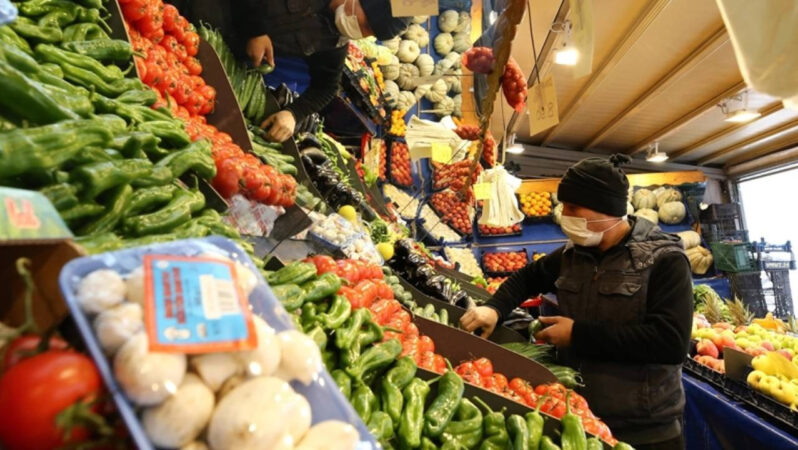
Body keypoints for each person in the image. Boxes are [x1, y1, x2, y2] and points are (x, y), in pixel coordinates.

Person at [461, 154, 693, 450]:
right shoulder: (574, 254)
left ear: (605, 210)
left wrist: (577, 335)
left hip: (644, 429)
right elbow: (528, 278)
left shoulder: (665, 260)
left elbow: (670, 343)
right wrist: (495, 308)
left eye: (573, 207)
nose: (564, 214)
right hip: (579, 418)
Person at [237, 0, 410, 142]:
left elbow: (327, 88)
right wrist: (256, 30)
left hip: (232, 63)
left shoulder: (334, 41)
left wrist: (294, 113)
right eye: (366, 25)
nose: (361, 33)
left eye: (370, 34)